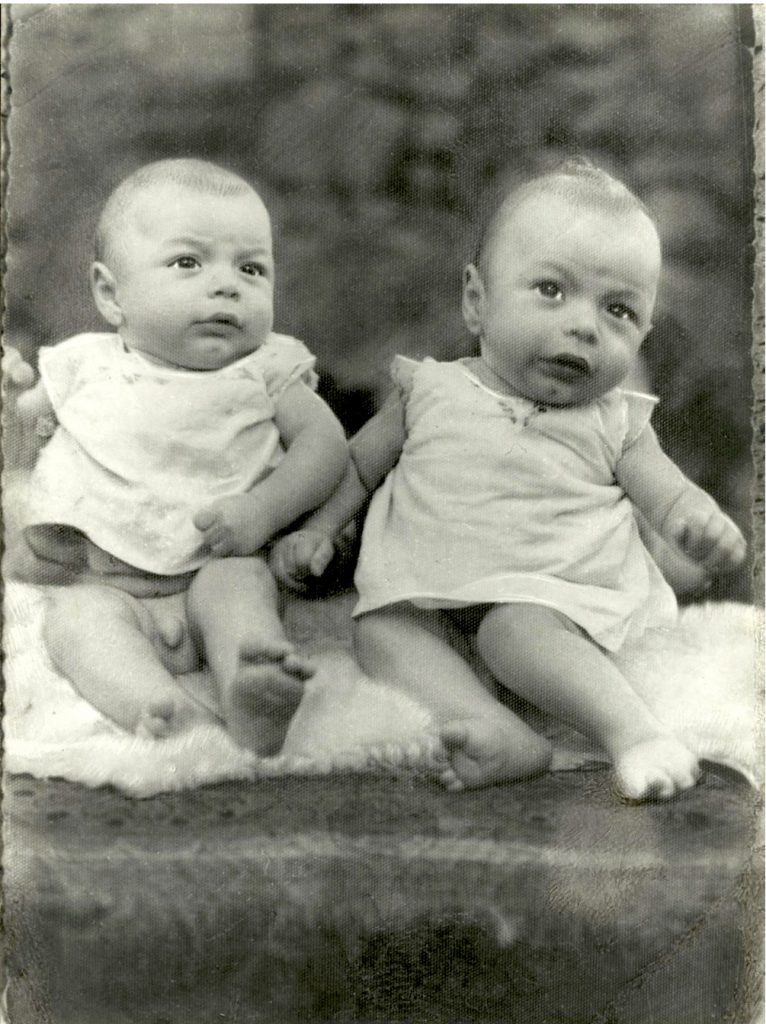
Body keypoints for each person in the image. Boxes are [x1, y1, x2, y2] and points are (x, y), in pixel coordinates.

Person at [272, 160, 746, 800]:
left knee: (511, 629)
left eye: (618, 311)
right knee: (378, 630)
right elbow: (358, 465)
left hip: (549, 601)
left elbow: (668, 494)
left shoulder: (615, 423)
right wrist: (324, 527)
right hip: (430, 591)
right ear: (477, 301)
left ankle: (634, 733)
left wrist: (697, 524)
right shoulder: (427, 390)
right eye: (551, 290)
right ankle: (489, 727)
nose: (585, 325)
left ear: (643, 334)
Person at [7, 158, 348, 754]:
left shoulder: (267, 367)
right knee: (75, 624)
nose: (226, 284)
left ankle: (252, 683)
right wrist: (12, 398)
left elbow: (326, 448)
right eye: (188, 262)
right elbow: (24, 432)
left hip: (208, 576)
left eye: (251, 268)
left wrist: (262, 511)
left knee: (240, 585)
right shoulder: (84, 363)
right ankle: (158, 710)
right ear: (112, 295)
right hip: (108, 586)